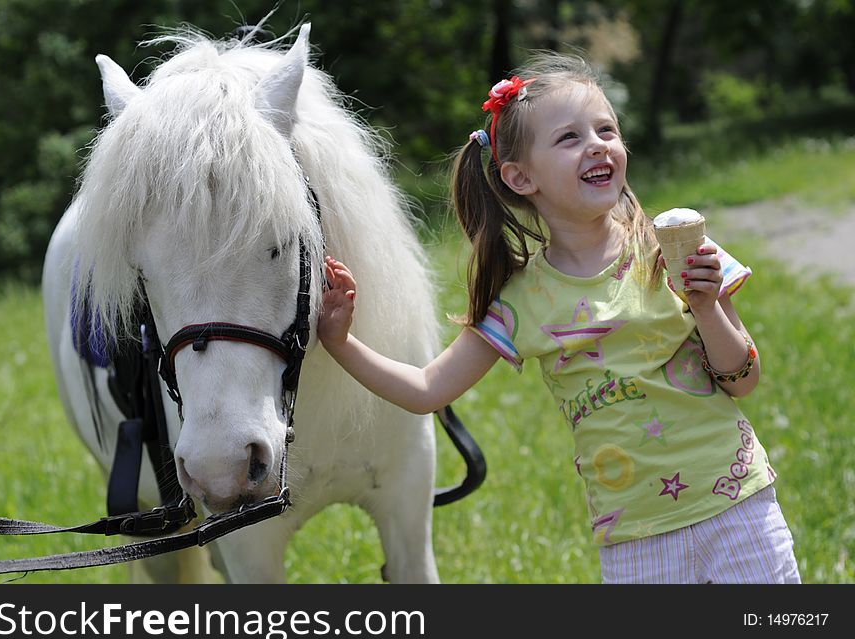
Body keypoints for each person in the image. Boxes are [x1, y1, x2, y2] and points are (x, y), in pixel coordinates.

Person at [317, 52, 800, 584]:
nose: (596, 144)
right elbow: (429, 389)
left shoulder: (678, 251)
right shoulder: (521, 300)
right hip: (636, 536)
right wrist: (341, 343)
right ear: (521, 177)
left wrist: (706, 306)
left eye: (606, 130)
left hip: (738, 506)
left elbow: (744, 377)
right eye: (569, 138)